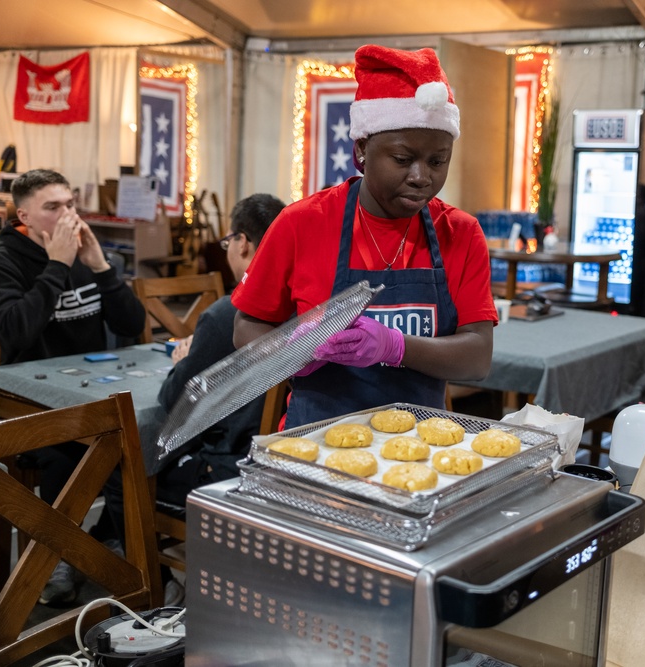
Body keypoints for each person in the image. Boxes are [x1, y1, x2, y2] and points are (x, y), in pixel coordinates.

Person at [231, 45, 496, 428]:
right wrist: (294, 350)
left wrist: (395, 345)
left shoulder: (461, 233)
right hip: (315, 441)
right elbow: (246, 327)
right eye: (403, 159)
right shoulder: (301, 223)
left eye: (438, 161)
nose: (422, 177)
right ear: (361, 149)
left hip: (419, 453)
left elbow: (477, 358)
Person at [0, 168, 146, 606]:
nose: (68, 215)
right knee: (66, 450)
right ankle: (54, 556)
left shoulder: (86, 257)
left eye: (71, 204)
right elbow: (15, 333)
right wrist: (56, 266)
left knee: (146, 438)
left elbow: (132, 325)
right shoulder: (3, 262)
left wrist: (101, 268)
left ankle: (104, 540)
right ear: (25, 216)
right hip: (25, 404)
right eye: (53, 207)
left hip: (89, 393)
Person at [157, 193, 286, 501]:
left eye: (228, 242)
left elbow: (175, 400)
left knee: (124, 471)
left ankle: (120, 548)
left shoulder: (226, 315)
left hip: (232, 467)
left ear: (243, 242)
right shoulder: (304, 302)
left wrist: (182, 362)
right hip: (283, 459)